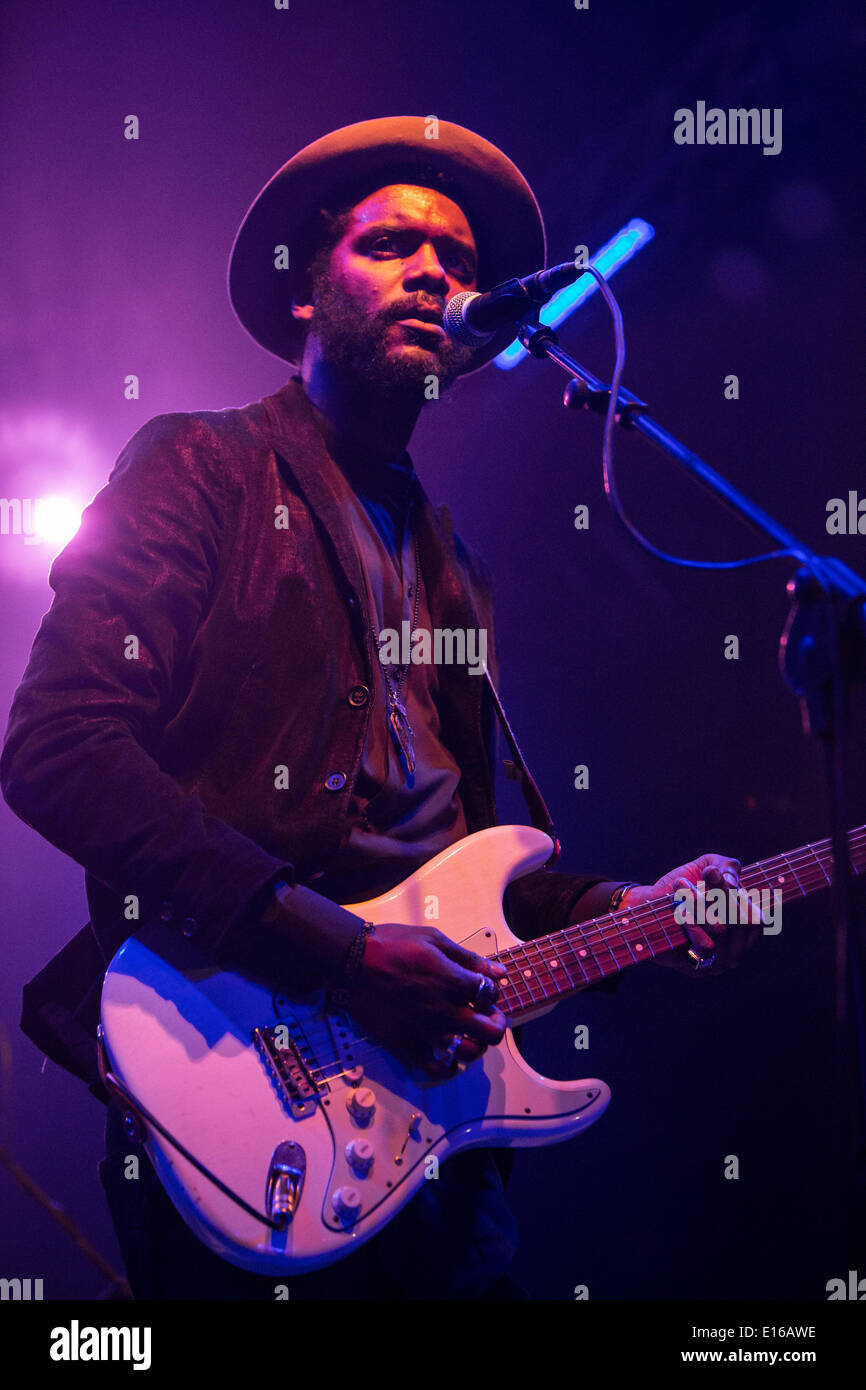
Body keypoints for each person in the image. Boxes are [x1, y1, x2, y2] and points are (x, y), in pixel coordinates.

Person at [1, 116, 757, 1300]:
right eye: (392, 245)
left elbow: (458, 860)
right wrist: (341, 955)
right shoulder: (201, 467)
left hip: (438, 1152)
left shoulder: (454, 563)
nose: (437, 278)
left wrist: (631, 909)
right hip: (247, 1100)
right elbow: (55, 746)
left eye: (457, 264)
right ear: (306, 294)